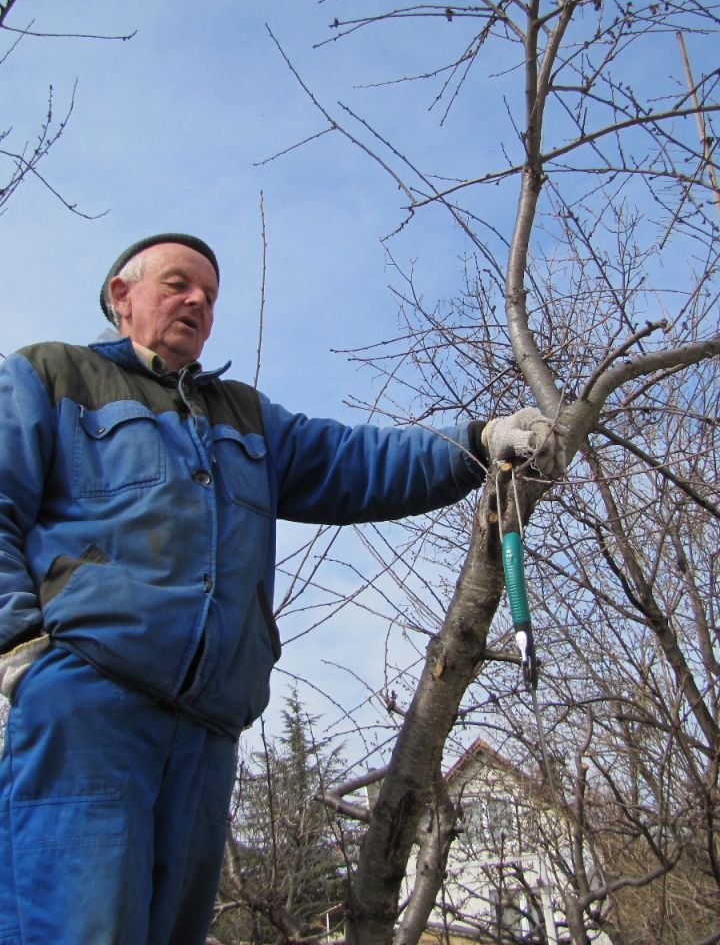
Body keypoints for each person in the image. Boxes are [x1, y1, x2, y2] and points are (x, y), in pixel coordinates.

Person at [0, 234, 565, 945]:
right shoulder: (50, 377)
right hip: (90, 707)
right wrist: (21, 649)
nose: (198, 301)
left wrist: (478, 439)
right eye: (178, 284)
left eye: (208, 293)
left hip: (207, 730)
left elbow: (358, 461)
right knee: (78, 930)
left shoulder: (243, 416)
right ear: (122, 295)